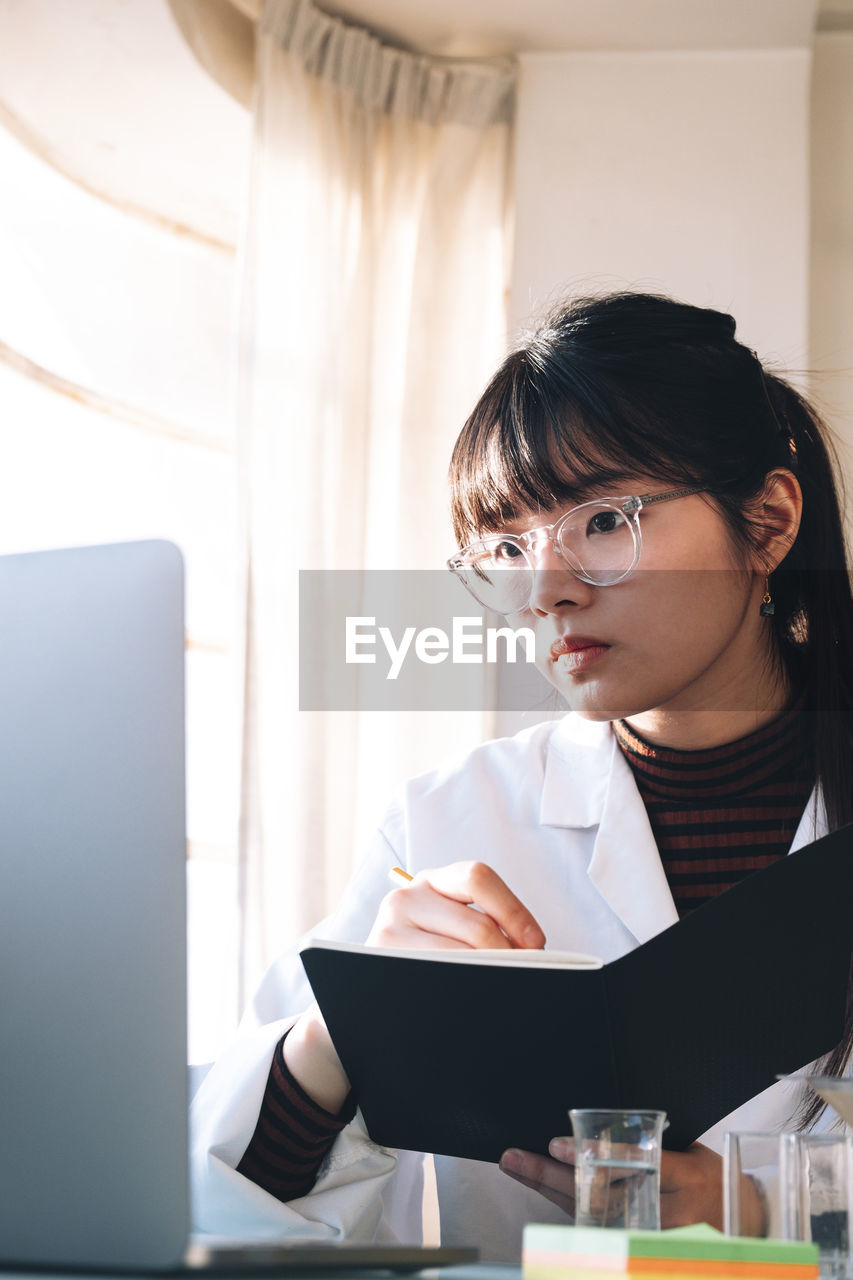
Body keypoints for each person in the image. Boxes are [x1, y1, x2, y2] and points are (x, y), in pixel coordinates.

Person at [191, 292, 853, 1261]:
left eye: (602, 519)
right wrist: (343, 1033)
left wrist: (766, 1212)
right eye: (505, 545)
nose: (543, 586)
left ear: (767, 519)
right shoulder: (446, 823)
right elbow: (226, 1212)